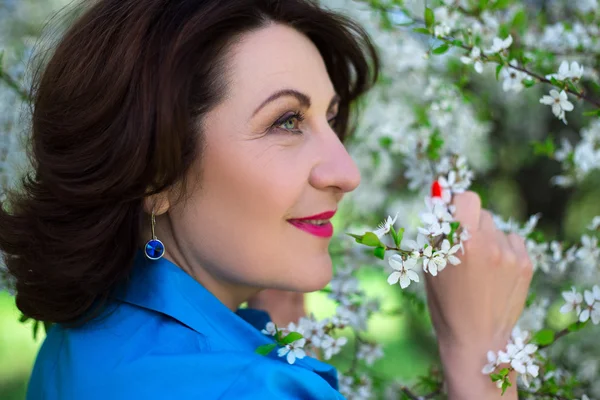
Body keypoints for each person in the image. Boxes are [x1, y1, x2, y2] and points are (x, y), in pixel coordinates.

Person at [0, 0, 534, 399]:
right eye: (286, 121)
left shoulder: (84, 334)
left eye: (329, 118)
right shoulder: (255, 388)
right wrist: (480, 354)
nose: (346, 172)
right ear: (155, 173)